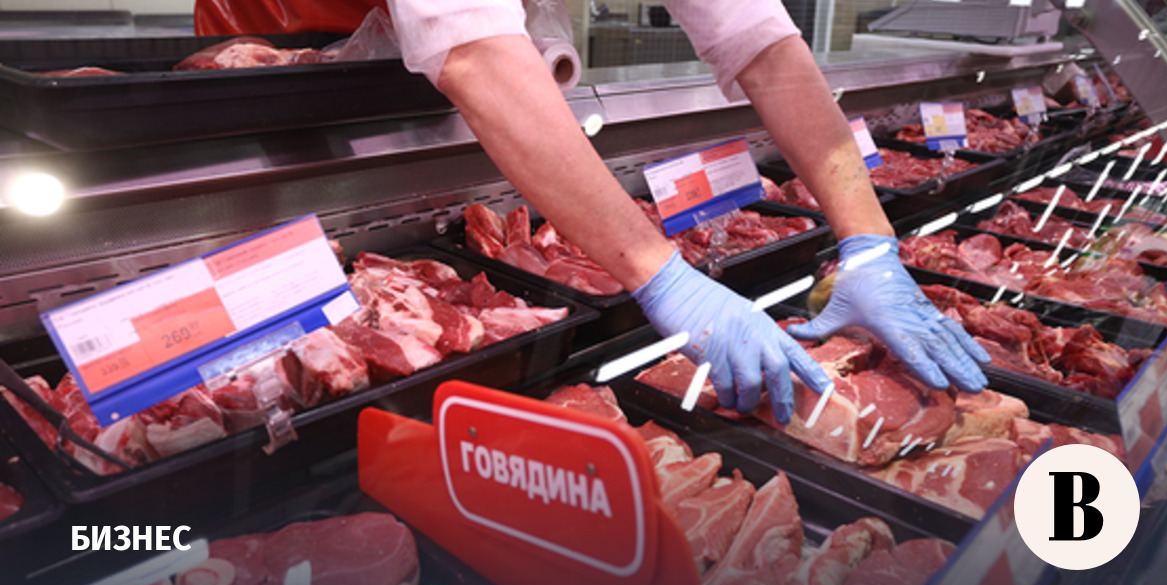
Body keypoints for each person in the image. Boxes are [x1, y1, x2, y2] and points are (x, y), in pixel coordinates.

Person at [195, 0, 991, 424]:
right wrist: (660, 273)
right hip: (273, 78)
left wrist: (870, 243)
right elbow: (470, 48)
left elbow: (758, 37)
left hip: (443, 80)